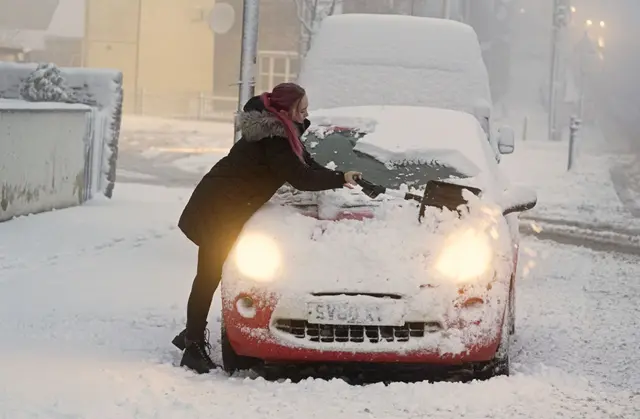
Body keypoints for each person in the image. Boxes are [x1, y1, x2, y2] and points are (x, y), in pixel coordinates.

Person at [172, 82, 362, 374]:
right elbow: (301, 178)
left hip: (226, 204)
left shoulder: (285, 133)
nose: (306, 114)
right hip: (218, 209)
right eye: (302, 109)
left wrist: (342, 176)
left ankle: (190, 334)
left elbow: (308, 165)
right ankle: (193, 345)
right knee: (208, 276)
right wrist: (338, 179)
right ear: (286, 111)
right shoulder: (275, 139)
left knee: (209, 274)